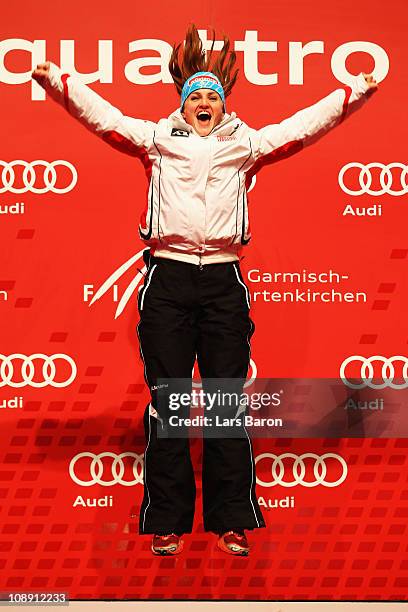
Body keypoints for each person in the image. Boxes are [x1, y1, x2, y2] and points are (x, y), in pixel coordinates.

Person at [32, 23, 378, 557]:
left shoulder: (245, 144)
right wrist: (60, 85)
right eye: (194, 95)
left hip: (222, 281)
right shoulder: (156, 141)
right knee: (169, 404)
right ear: (182, 102)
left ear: (222, 106)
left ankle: (230, 519)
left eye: (211, 96)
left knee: (223, 405)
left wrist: (350, 95)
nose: (202, 102)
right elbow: (104, 117)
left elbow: (303, 126)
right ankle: (167, 520)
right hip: (166, 279)